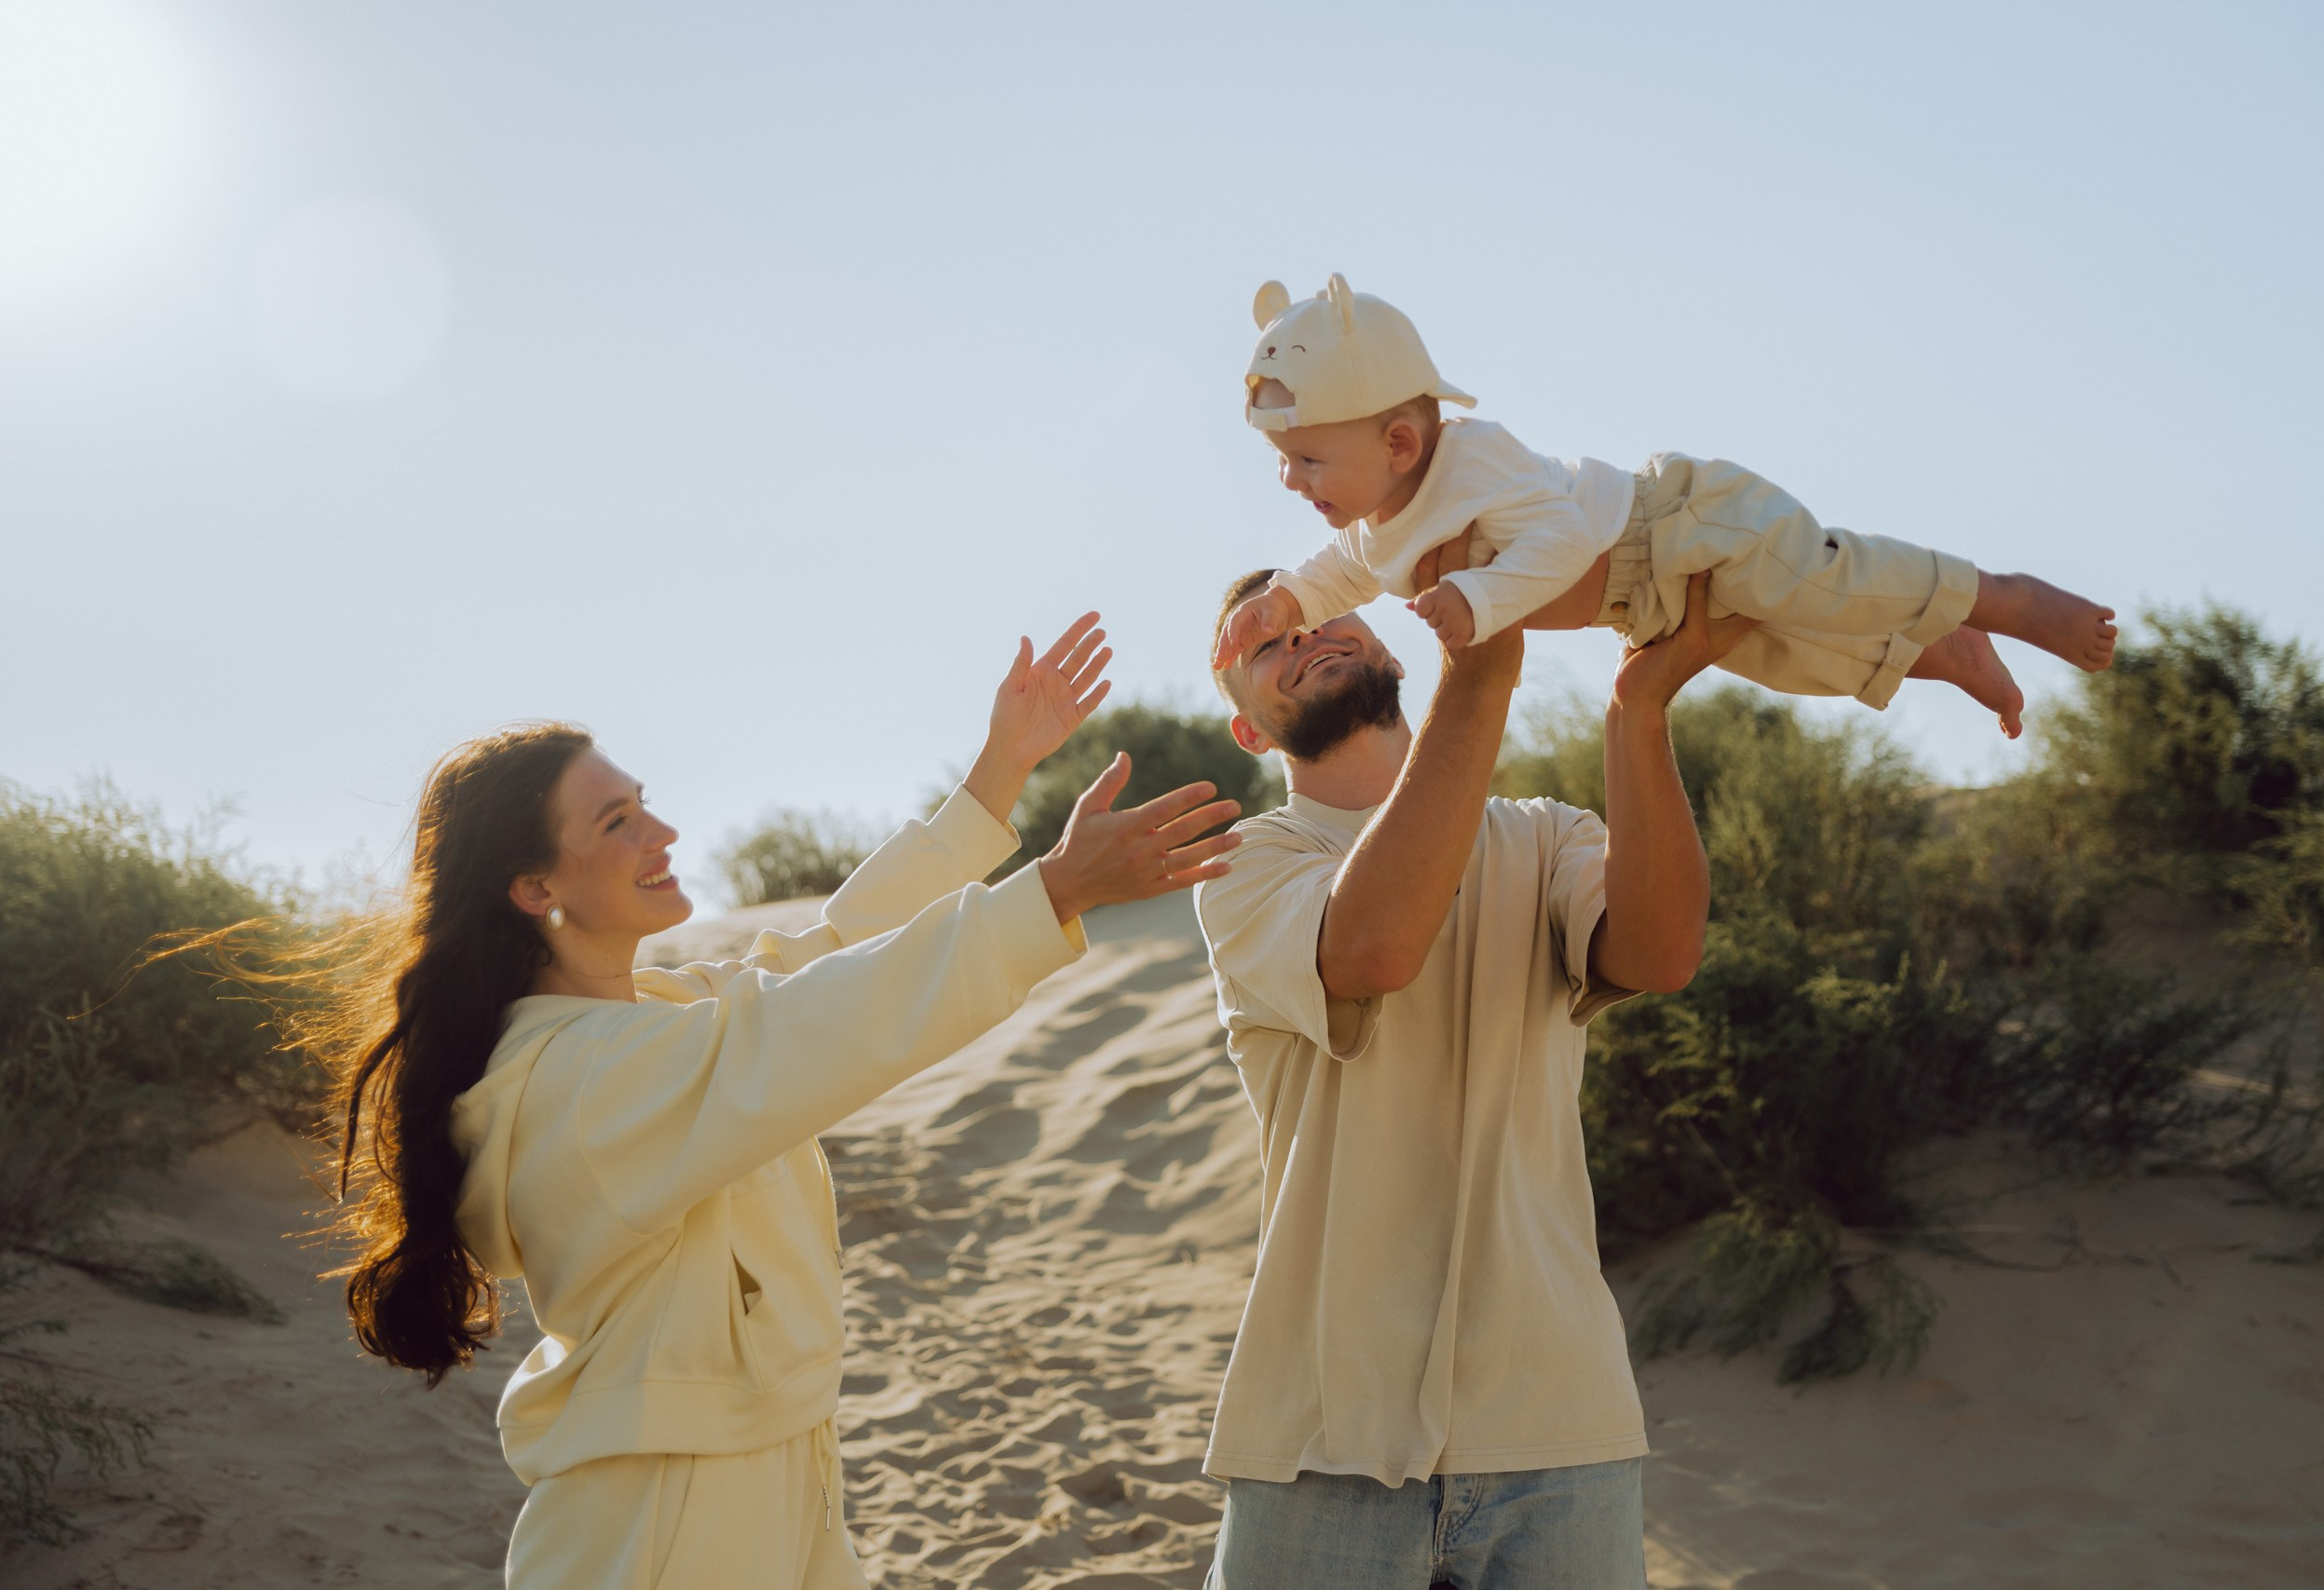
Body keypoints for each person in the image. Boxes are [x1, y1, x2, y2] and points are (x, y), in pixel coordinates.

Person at [300, 616, 1242, 1588]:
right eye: (615, 822)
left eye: (644, 804)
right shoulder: (582, 1079)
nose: (662, 834)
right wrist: (1051, 891)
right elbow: (819, 1024)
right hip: (668, 1511)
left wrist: (997, 774)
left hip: (769, 1469)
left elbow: (826, 957)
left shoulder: (652, 1018)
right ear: (537, 886)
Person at [1193, 544, 1758, 1588]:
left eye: (1318, 613)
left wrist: (1637, 713)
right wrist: (1482, 673)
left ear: (1382, 640)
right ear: (1245, 725)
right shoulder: (1247, 866)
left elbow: (1660, 953)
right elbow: (1373, 949)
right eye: (1264, 644)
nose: (1301, 635)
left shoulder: (1547, 838)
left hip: (1558, 1424)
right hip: (1325, 1435)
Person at [1211, 273, 2118, 739]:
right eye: (1282, 464)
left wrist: (1479, 602)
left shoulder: (1471, 463)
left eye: (1306, 460)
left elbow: (1563, 538)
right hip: (1640, 600)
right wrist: (1287, 600)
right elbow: (1342, 576)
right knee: (1794, 654)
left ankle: (2007, 598)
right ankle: (1951, 653)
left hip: (1679, 527)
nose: (1294, 484)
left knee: (1825, 585)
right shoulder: (1378, 533)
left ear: (1399, 443)